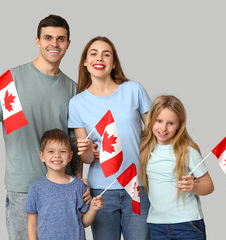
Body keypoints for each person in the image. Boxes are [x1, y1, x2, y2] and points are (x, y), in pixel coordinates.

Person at [0, 14, 91, 240]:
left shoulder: (72, 89)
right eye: (48, 37)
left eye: (61, 39)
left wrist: (78, 178)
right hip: (22, 187)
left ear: (68, 44)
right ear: (37, 41)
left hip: (63, 187)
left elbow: (74, 144)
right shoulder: (13, 78)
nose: (54, 44)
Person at [68, 36, 152, 240]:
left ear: (113, 63)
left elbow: (154, 133)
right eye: (93, 54)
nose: (100, 58)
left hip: (136, 183)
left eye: (106, 54)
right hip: (101, 189)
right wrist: (88, 151)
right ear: (85, 63)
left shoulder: (133, 90)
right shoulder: (77, 103)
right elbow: (86, 158)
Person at [139, 95, 215, 240]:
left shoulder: (187, 150)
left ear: (179, 125)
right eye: (159, 121)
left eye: (170, 123)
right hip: (157, 224)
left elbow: (209, 185)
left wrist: (194, 186)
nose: (163, 128)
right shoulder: (145, 148)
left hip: (187, 223)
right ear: (151, 120)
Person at [24, 128, 103, 240]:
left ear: (70, 156)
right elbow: (32, 225)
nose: (57, 155)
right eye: (51, 151)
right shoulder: (36, 188)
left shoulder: (78, 186)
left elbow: (84, 223)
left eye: (63, 151)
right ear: (42, 156)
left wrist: (93, 209)